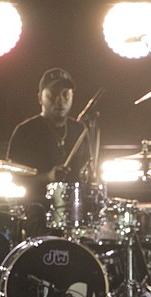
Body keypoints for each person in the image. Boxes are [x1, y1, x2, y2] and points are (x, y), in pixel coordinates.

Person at [7, 67, 92, 237]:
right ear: (40, 98)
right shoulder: (25, 132)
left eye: (65, 95)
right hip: (35, 214)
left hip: (74, 214)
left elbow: (88, 174)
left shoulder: (79, 130)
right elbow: (12, 180)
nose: (59, 101)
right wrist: (48, 177)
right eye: (52, 95)